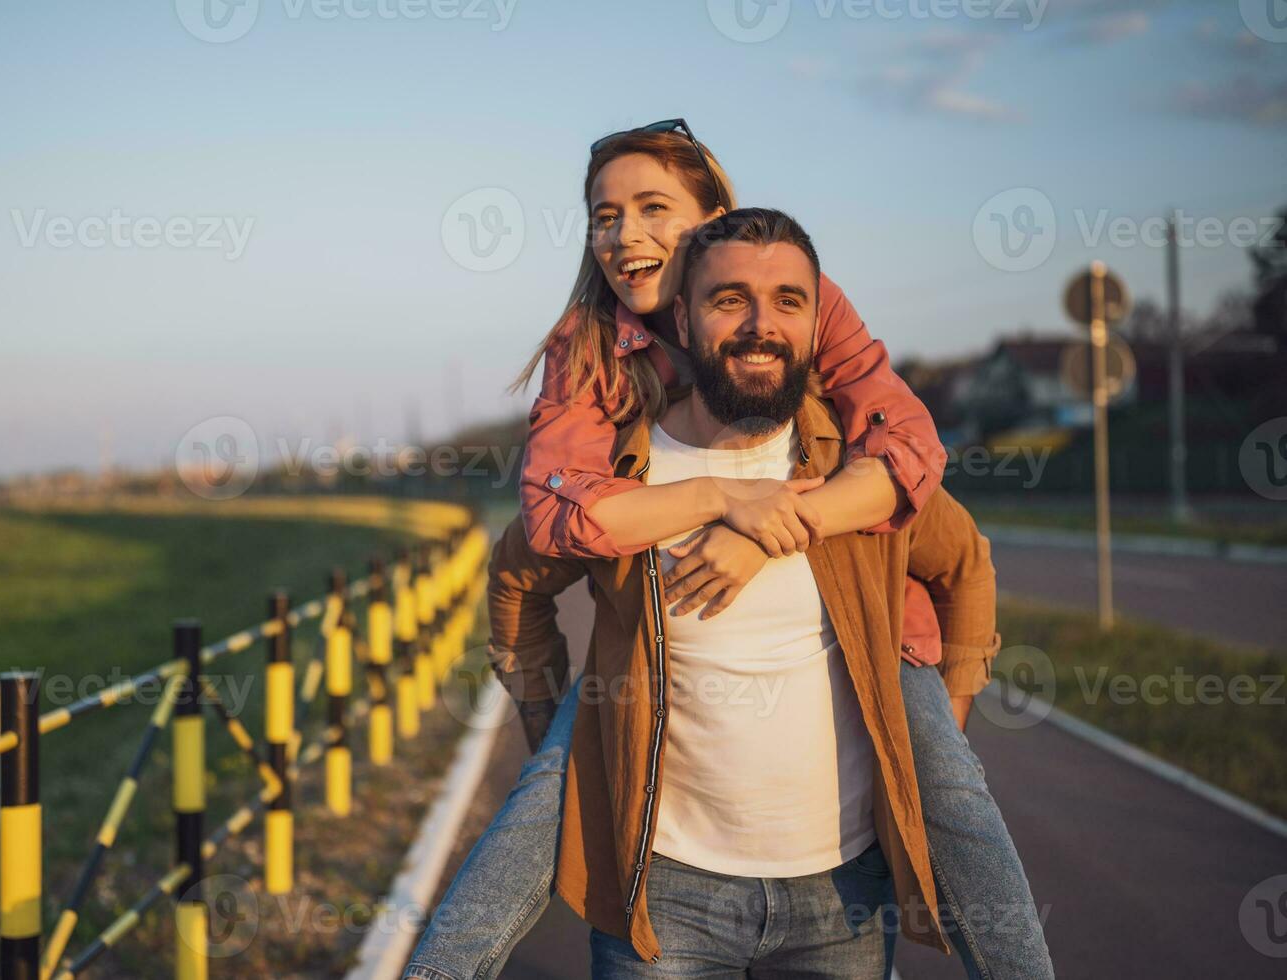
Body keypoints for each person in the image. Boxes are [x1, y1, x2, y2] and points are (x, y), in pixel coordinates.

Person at [406, 128, 1051, 979]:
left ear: (718, 220)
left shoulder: (803, 326)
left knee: (953, 794)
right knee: (539, 806)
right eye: (606, 215)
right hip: (670, 885)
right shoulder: (590, 353)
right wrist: (715, 497)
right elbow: (549, 523)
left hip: (874, 670)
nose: (625, 235)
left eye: (652, 211)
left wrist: (776, 525)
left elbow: (914, 462)